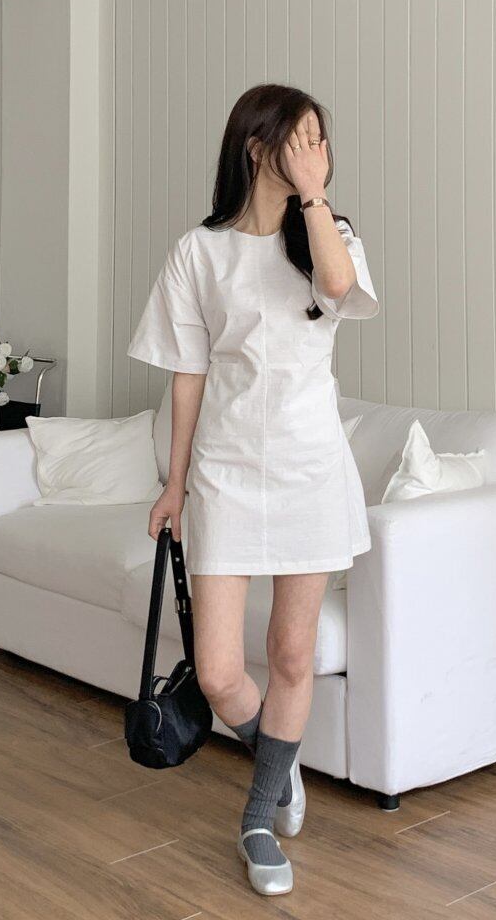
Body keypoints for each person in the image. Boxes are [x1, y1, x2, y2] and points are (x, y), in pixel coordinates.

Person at [127, 82, 379, 896]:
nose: (316, 152)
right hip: (225, 476)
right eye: (302, 140)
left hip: (311, 472)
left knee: (292, 654)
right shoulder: (197, 253)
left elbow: (338, 288)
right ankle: (279, 758)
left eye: (321, 141)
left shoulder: (330, 236)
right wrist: (174, 483)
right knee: (216, 672)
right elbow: (188, 375)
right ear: (256, 147)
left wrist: (314, 196)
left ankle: (259, 817)